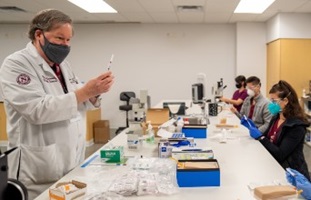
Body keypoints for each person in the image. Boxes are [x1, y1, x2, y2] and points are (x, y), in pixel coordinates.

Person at [0, 9, 114, 199]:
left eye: (68, 40)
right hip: (38, 167)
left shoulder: (62, 66)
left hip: (69, 161)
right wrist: (86, 91)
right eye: (60, 38)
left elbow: (77, 100)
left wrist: (94, 94)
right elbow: (36, 110)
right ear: (39, 34)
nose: (65, 45)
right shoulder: (17, 64)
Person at [243, 80, 310, 181]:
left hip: (291, 173)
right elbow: (266, 138)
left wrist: (260, 137)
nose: (271, 104)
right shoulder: (276, 117)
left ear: (286, 101)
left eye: (274, 101)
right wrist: (253, 128)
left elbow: (280, 154)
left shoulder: (296, 126)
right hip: (273, 164)